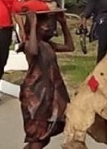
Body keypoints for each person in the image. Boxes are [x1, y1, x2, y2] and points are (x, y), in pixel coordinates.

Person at [19, 11, 73, 148]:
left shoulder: (48, 45)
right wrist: (32, 24)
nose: (48, 27)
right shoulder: (28, 44)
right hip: (35, 97)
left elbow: (69, 47)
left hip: (49, 95)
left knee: (43, 137)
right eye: (43, 24)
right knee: (38, 137)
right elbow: (33, 51)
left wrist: (64, 24)